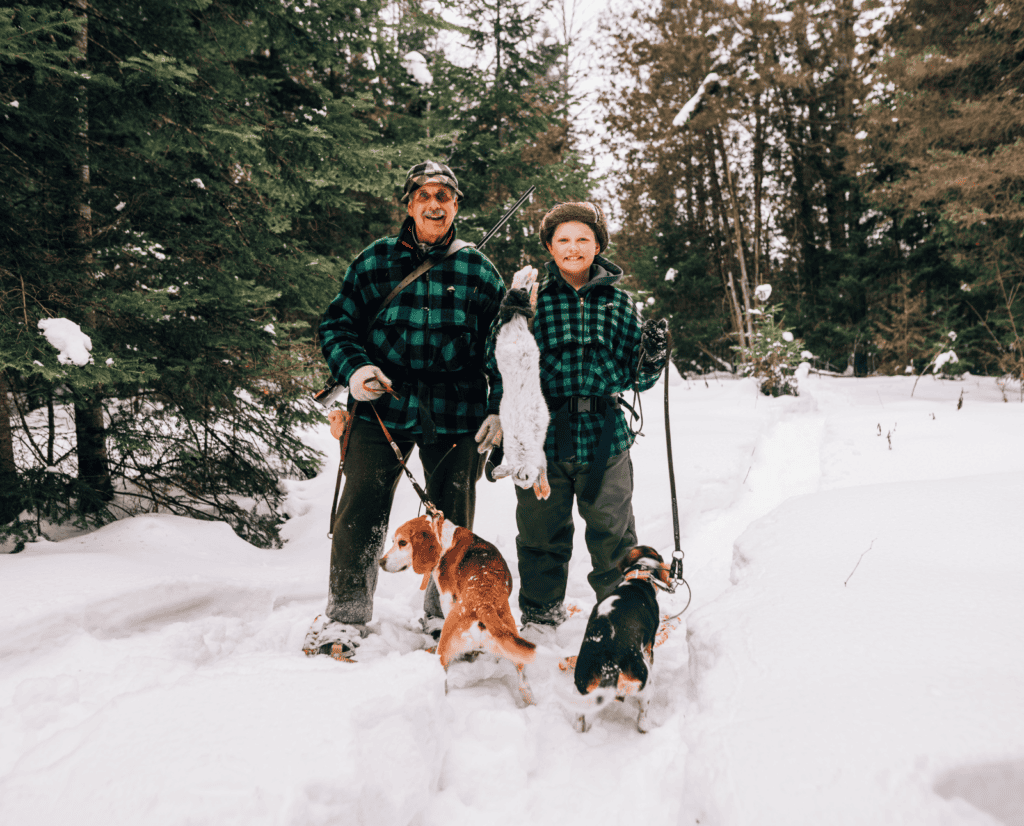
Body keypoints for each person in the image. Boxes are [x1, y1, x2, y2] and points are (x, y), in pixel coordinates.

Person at [303, 161, 506, 659]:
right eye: (424, 196)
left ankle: (447, 618)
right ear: (409, 204)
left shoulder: (478, 269)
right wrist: (355, 371)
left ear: (456, 205)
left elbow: (504, 346)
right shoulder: (374, 262)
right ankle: (345, 616)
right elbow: (336, 325)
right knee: (361, 511)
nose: (434, 204)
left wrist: (499, 409)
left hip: (457, 410)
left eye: (444, 196)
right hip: (381, 406)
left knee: (451, 520)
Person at [486, 201, 668, 633]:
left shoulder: (619, 303)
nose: (573, 248)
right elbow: (502, 363)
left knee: (613, 533)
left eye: (583, 238)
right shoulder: (530, 299)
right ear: (549, 246)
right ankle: (540, 616)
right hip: (541, 435)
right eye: (563, 239)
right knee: (540, 535)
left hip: (604, 434)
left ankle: (619, 614)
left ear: (598, 244)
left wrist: (653, 357)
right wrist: (509, 316)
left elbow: (636, 378)